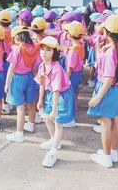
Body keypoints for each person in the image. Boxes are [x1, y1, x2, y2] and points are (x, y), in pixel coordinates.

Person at [88, 15, 118, 168]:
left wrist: (98, 96)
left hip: (108, 89)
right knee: (115, 120)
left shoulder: (110, 51)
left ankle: (106, 157)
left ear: (107, 31)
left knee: (106, 122)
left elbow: (109, 77)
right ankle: (113, 152)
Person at [36, 36, 75, 168]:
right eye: (42, 49)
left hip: (62, 95)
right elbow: (42, 84)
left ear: (55, 52)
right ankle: (55, 142)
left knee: (58, 122)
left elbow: (57, 90)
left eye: (48, 50)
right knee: (47, 118)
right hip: (52, 94)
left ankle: (53, 152)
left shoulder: (57, 68)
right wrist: (40, 100)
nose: (44, 52)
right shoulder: (42, 65)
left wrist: (54, 109)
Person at [5, 26, 38, 143]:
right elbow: (34, 67)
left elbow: (11, 67)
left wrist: (7, 83)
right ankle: (31, 124)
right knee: (31, 103)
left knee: (20, 107)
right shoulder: (33, 48)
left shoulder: (17, 49)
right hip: (29, 77)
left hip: (18, 78)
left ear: (17, 37)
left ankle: (19, 133)